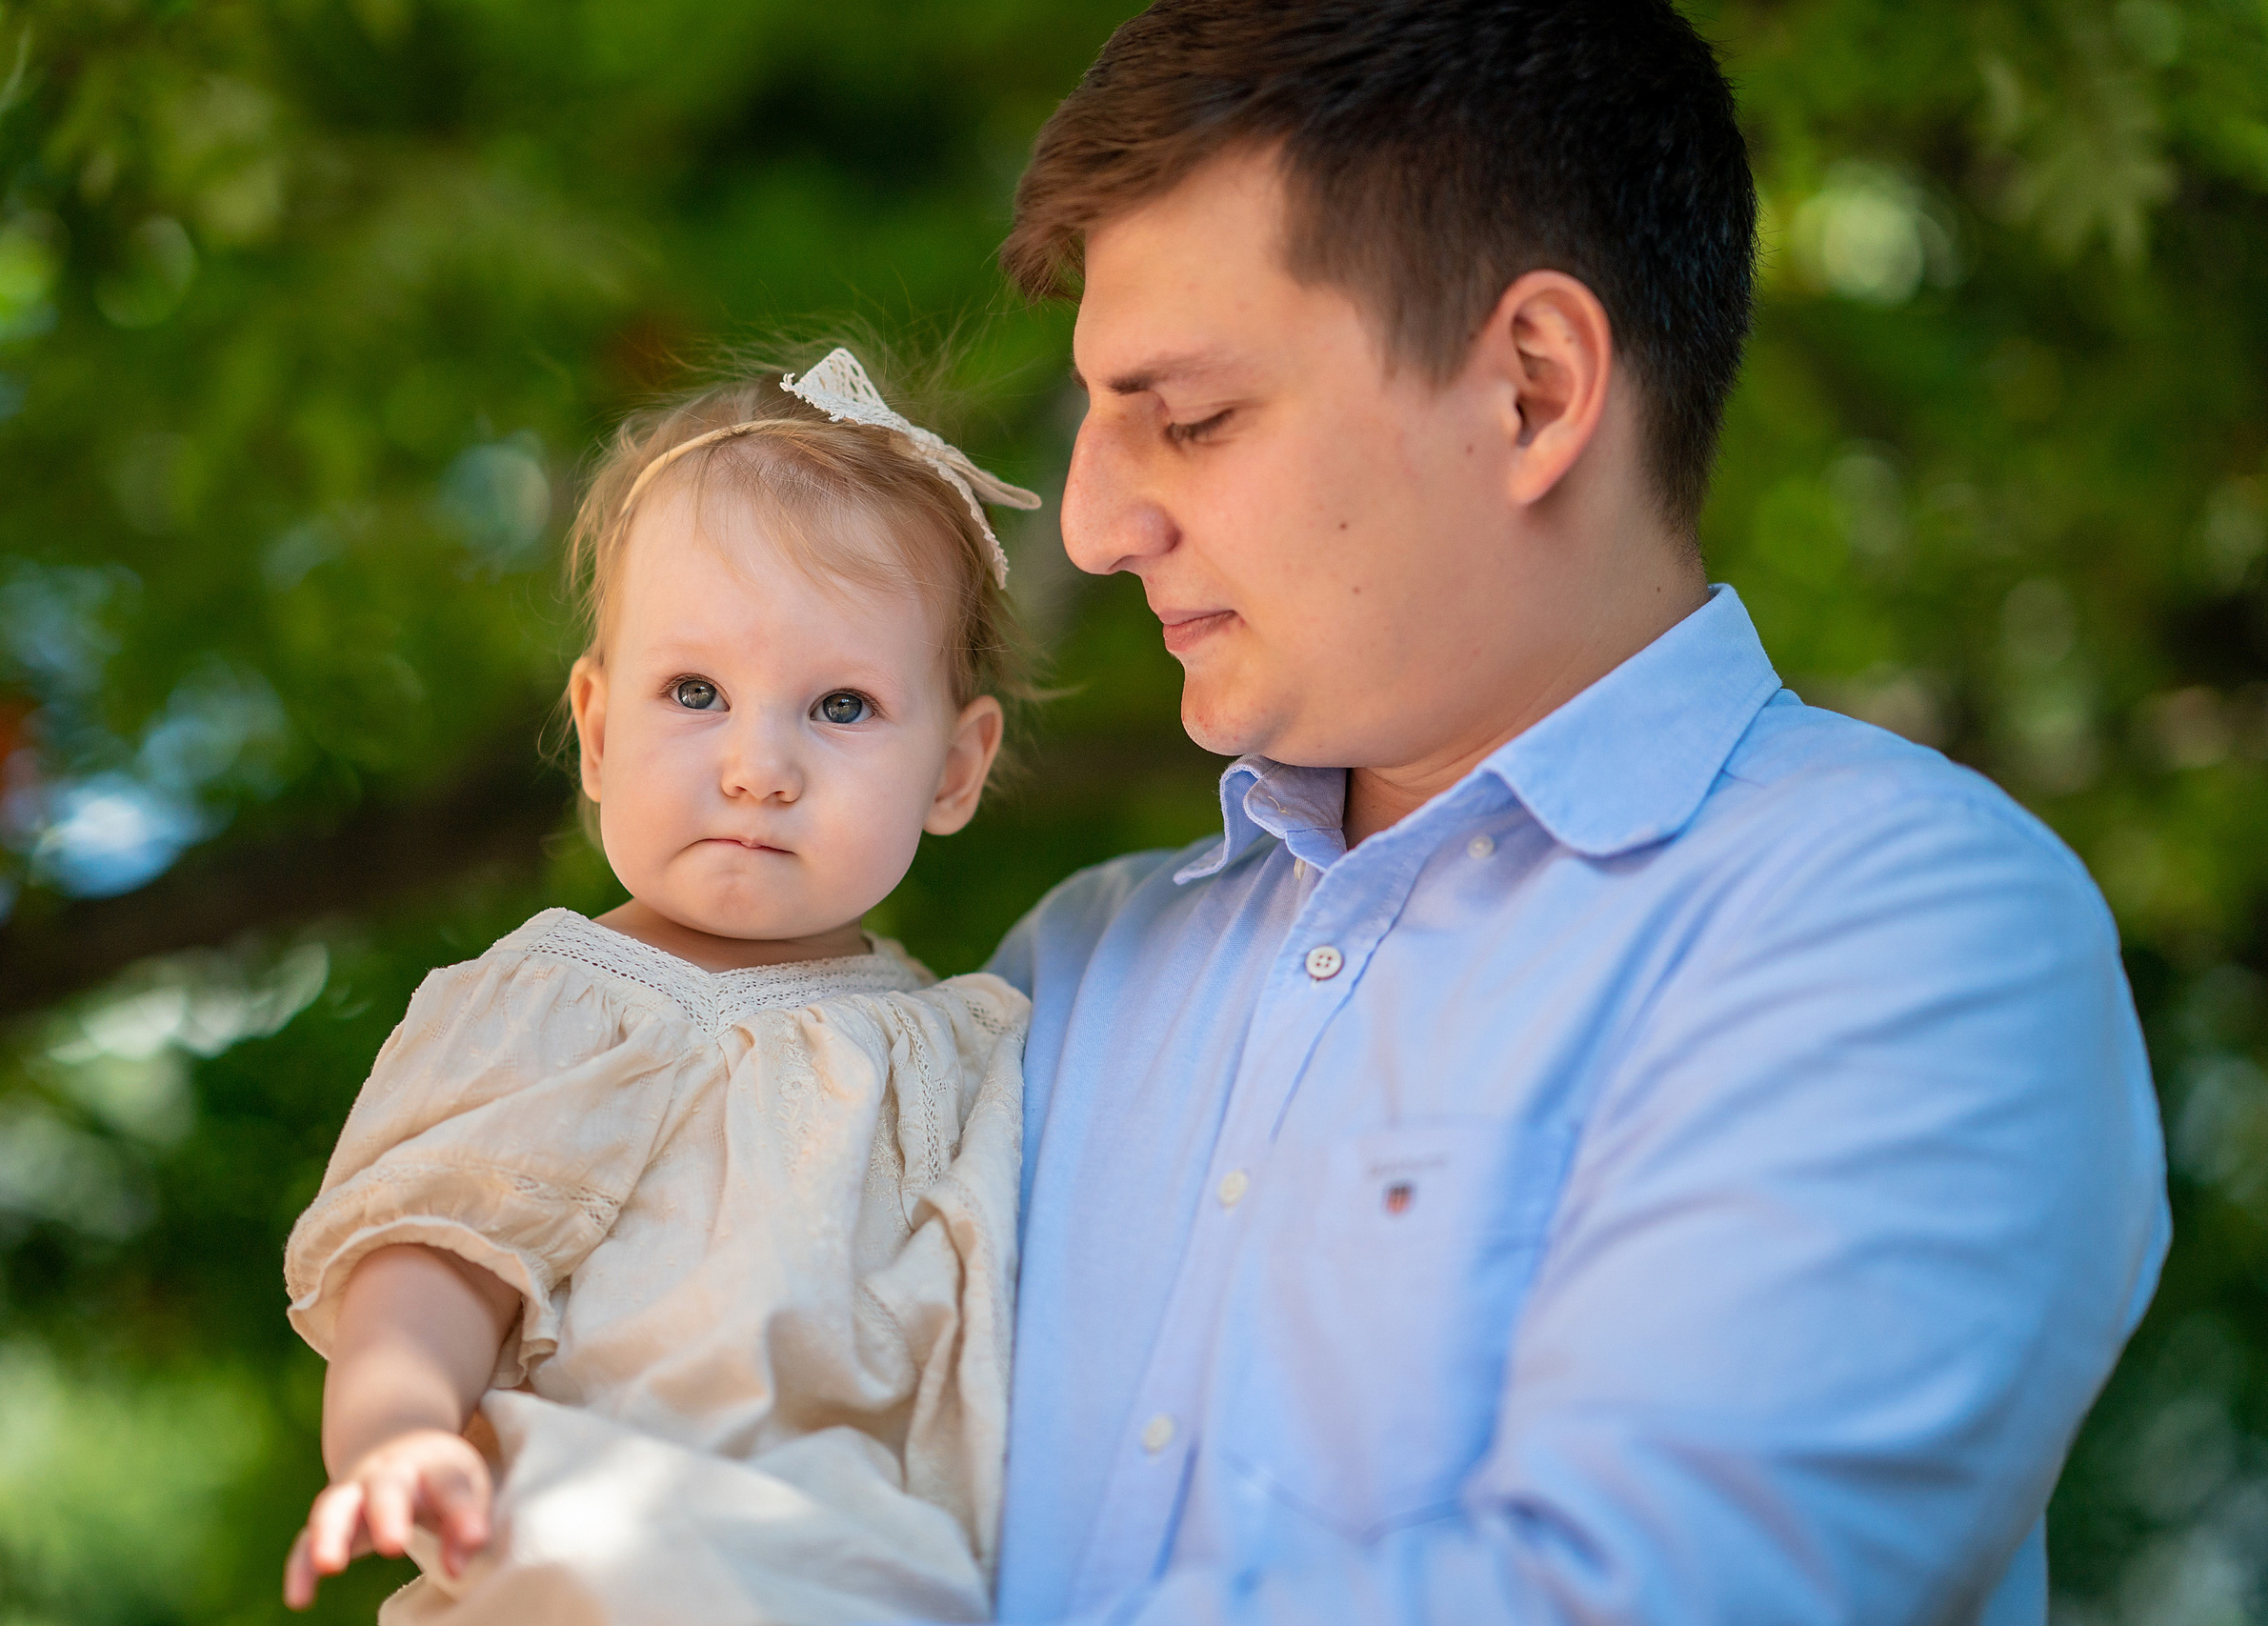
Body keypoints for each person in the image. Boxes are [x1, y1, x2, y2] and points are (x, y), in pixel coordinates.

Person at [983, 2, 2169, 1622]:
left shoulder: (1908, 928)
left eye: (1190, 418)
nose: (1102, 524)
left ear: (1533, 390)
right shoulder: (1075, 975)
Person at [277, 348, 1037, 1624]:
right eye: (695, 693)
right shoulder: (569, 1007)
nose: (757, 767)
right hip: (606, 1559)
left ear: (955, 771)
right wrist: (399, 1432)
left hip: (868, 1582)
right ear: (597, 728)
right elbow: (435, 1259)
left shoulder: (961, 1039)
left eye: (841, 707)